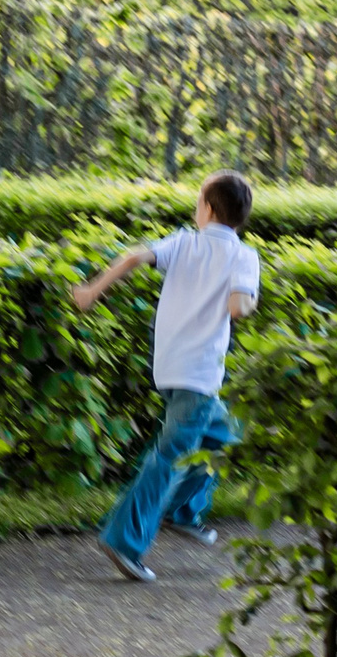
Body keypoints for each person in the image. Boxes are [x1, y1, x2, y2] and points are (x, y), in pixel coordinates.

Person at [69, 170, 259, 584]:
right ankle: (125, 541)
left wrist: (92, 290)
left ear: (207, 208)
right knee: (172, 456)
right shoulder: (243, 256)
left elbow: (134, 257)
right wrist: (245, 302)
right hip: (200, 373)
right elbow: (238, 308)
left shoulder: (183, 242)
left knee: (225, 436)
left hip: (171, 366)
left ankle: (182, 511)